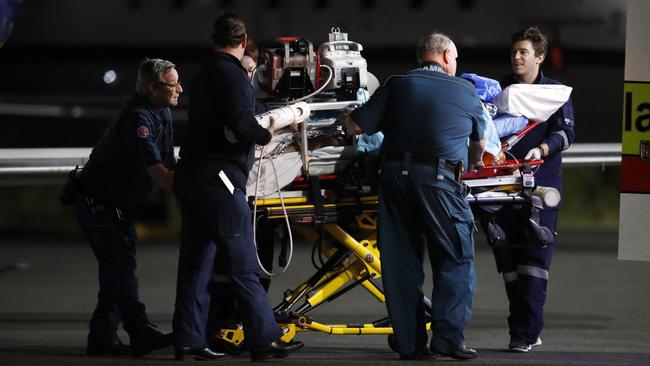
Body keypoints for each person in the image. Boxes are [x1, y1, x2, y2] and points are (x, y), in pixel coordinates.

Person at [339, 33, 487, 360]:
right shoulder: (465, 90)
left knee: (401, 265)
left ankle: (410, 344)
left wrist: (346, 114)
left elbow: (357, 128)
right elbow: (479, 144)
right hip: (441, 181)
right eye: (456, 59)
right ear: (447, 56)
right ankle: (447, 338)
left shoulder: (396, 84)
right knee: (455, 257)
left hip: (394, 179)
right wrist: (472, 161)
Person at [171, 12, 303, 361]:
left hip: (191, 177)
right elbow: (242, 126)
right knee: (244, 266)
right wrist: (270, 129)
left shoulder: (202, 74)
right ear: (243, 42)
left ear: (214, 40)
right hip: (220, 181)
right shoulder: (233, 76)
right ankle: (264, 340)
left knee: (195, 266)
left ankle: (187, 340)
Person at [65, 58, 181, 357]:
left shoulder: (162, 111)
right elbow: (162, 175)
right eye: (172, 85)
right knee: (121, 265)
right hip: (98, 200)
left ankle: (102, 337)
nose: (180, 89)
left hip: (113, 200)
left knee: (116, 268)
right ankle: (137, 327)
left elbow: (170, 164)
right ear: (153, 87)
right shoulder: (138, 119)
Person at [486, 26, 575, 353]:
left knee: (535, 260)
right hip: (500, 187)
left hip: (540, 187)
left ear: (539, 57)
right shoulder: (499, 89)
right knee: (508, 261)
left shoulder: (556, 93)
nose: (517, 56)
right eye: (514, 51)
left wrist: (544, 150)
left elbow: (566, 135)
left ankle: (523, 332)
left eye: (524, 52)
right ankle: (523, 326)